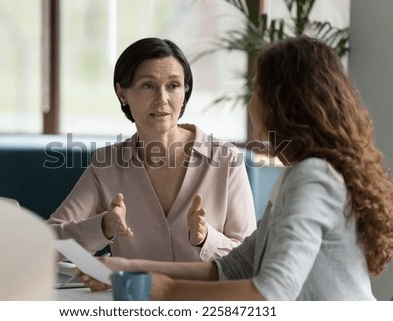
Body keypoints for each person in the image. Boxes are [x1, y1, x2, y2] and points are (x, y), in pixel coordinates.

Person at [79, 36, 393, 300]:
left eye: (256, 92)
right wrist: (130, 267)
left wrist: (166, 289)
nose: (249, 103)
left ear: (283, 105)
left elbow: (272, 292)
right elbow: (234, 268)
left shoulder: (311, 178)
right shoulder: (298, 174)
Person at [47, 37, 256, 263]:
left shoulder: (225, 160)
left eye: (173, 86)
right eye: (148, 85)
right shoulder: (106, 164)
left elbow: (249, 261)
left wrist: (206, 239)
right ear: (122, 93)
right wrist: (104, 226)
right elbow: (49, 244)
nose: (162, 99)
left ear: (185, 93)